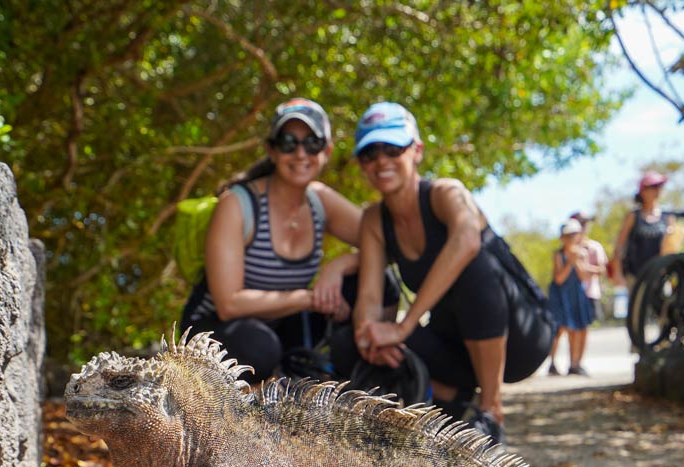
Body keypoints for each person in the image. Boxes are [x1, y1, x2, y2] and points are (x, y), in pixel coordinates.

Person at [345, 102, 553, 447]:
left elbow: (467, 240)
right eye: (369, 152)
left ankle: (491, 411)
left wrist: (405, 324)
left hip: (523, 338)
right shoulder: (373, 220)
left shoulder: (446, 193)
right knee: (349, 341)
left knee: (473, 266)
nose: (381, 160)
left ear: (417, 151)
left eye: (393, 148)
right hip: (458, 348)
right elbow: (368, 294)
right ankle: (457, 401)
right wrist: (370, 337)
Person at [181, 98, 378, 383]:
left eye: (312, 143)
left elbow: (387, 242)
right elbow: (229, 304)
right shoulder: (237, 204)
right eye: (288, 142)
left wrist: (339, 266)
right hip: (218, 329)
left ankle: (369, 380)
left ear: (327, 151)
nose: (300, 153)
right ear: (272, 150)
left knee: (372, 279)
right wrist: (309, 299)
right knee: (259, 347)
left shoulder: (320, 200)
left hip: (280, 323)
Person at [546, 219, 597, 376]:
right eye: (568, 235)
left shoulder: (582, 253)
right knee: (559, 329)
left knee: (576, 329)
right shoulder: (559, 255)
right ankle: (552, 363)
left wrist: (582, 263)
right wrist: (570, 262)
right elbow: (559, 279)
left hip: (576, 294)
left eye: (574, 235)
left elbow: (583, 277)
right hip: (560, 295)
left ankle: (574, 364)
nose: (571, 238)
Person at [612, 171, 676, 290]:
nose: (657, 190)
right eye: (653, 187)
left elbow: (671, 248)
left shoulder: (668, 216)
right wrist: (617, 272)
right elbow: (620, 246)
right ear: (643, 191)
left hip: (660, 276)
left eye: (659, 186)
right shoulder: (633, 216)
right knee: (637, 307)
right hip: (635, 276)